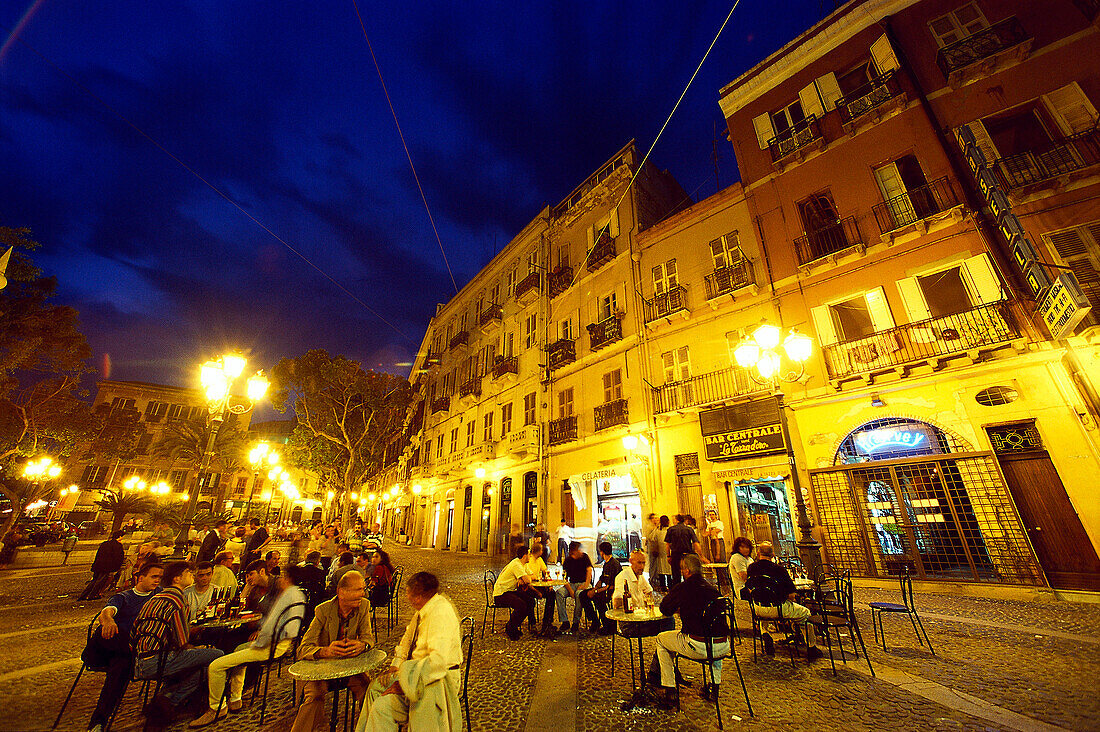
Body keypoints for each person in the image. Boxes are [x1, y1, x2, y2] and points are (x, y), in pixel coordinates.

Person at [188, 564, 307, 727]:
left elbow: (272, 626)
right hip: (277, 643)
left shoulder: (286, 597)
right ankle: (235, 698)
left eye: (284, 577)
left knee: (216, 666)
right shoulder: (296, 595)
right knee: (237, 650)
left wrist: (259, 639)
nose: (281, 580)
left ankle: (216, 708)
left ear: (290, 579)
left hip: (271, 646)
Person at [357, 572, 462, 732]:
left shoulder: (440, 615)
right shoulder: (423, 610)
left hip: (436, 681)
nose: (406, 597)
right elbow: (408, 638)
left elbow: (437, 662)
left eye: (407, 593)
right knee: (374, 688)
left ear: (417, 596)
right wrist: (397, 663)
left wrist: (406, 684)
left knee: (381, 707)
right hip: (415, 673)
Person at [132, 562, 224, 720]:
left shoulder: (154, 599)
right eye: (188, 573)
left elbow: (135, 632)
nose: (192, 575)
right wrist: (197, 644)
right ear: (176, 579)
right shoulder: (178, 600)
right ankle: (171, 699)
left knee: (198, 659)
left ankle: (169, 696)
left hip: (139, 661)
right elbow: (183, 641)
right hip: (159, 660)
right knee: (217, 656)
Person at [82, 562, 163, 732]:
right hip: (110, 645)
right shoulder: (124, 597)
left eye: (160, 578)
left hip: (128, 653)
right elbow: (107, 611)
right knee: (109, 635)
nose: (157, 581)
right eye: (154, 577)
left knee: (120, 668)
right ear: (141, 578)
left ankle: (98, 722)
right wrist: (109, 621)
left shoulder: (159, 595)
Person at [291, 571, 374, 732]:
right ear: (341, 592)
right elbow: (303, 649)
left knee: (370, 691)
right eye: (358, 590)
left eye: (363, 589)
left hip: (349, 668)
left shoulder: (363, 606)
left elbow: (368, 638)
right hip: (320, 670)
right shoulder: (323, 611)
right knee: (314, 697)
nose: (363, 593)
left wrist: (362, 645)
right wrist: (326, 651)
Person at [649, 554, 729, 708]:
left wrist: (679, 607)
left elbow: (665, 609)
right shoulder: (713, 590)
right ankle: (714, 686)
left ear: (686, 570)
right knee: (714, 631)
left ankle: (670, 689)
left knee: (661, 639)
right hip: (723, 645)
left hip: (697, 645)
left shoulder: (683, 588)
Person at [746, 543, 821, 661]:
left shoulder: (751, 568)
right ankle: (811, 646)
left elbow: (750, 588)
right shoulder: (779, 569)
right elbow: (791, 595)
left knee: (762, 616)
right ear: (773, 555)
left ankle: (765, 634)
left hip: (758, 608)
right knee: (805, 613)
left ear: (758, 554)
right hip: (778, 608)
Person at [492, 545, 538, 641]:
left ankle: (514, 625)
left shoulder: (523, 564)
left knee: (530, 601)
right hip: (501, 594)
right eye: (529, 555)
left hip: (510, 591)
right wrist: (525, 579)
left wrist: (525, 579)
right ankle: (510, 628)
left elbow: (533, 576)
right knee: (521, 605)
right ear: (525, 556)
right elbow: (528, 580)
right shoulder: (516, 564)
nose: (530, 556)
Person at [555, 541, 593, 633]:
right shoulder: (568, 561)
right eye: (579, 550)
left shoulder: (584, 557)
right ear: (573, 552)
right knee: (559, 593)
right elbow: (565, 578)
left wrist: (586, 584)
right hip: (571, 584)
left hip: (583, 583)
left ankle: (576, 622)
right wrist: (570, 590)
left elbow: (589, 570)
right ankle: (564, 621)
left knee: (579, 594)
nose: (581, 551)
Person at [583, 542, 621, 634]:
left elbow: (609, 586)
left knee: (598, 599)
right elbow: (602, 578)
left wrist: (595, 591)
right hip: (606, 589)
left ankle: (607, 625)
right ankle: (594, 620)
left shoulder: (613, 564)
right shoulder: (606, 563)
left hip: (611, 591)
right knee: (583, 595)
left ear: (602, 552)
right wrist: (595, 587)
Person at [523, 541, 558, 638]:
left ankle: (547, 621)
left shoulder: (539, 560)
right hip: (530, 586)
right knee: (529, 599)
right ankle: (532, 622)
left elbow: (545, 571)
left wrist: (549, 583)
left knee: (552, 594)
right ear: (539, 551)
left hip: (539, 585)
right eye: (542, 550)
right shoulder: (528, 561)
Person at [79, 530, 126, 601]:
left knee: (94, 580)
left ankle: (84, 595)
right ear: (119, 537)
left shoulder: (105, 544)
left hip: (98, 565)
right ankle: (92, 595)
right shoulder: (118, 546)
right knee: (100, 581)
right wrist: (116, 566)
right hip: (107, 566)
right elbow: (118, 557)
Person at [665, 515, 698, 586]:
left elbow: (667, 544)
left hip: (675, 554)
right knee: (688, 573)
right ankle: (688, 589)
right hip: (687, 555)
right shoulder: (689, 529)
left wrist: (668, 555)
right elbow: (695, 542)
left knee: (676, 575)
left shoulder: (671, 529)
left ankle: (678, 591)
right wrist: (699, 555)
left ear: (677, 520)